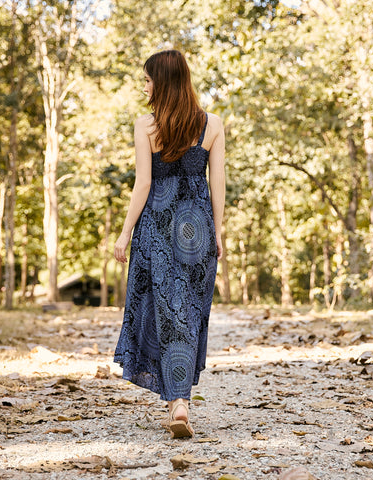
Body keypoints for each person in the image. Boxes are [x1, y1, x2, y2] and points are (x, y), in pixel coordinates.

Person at [113, 49, 225, 439]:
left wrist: (125, 232)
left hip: (157, 231)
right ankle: (181, 401)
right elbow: (218, 186)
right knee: (189, 312)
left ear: (161, 82)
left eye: (147, 79)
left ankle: (177, 401)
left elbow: (143, 184)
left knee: (159, 311)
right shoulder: (212, 124)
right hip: (196, 231)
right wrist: (219, 231)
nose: (144, 86)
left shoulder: (145, 126)